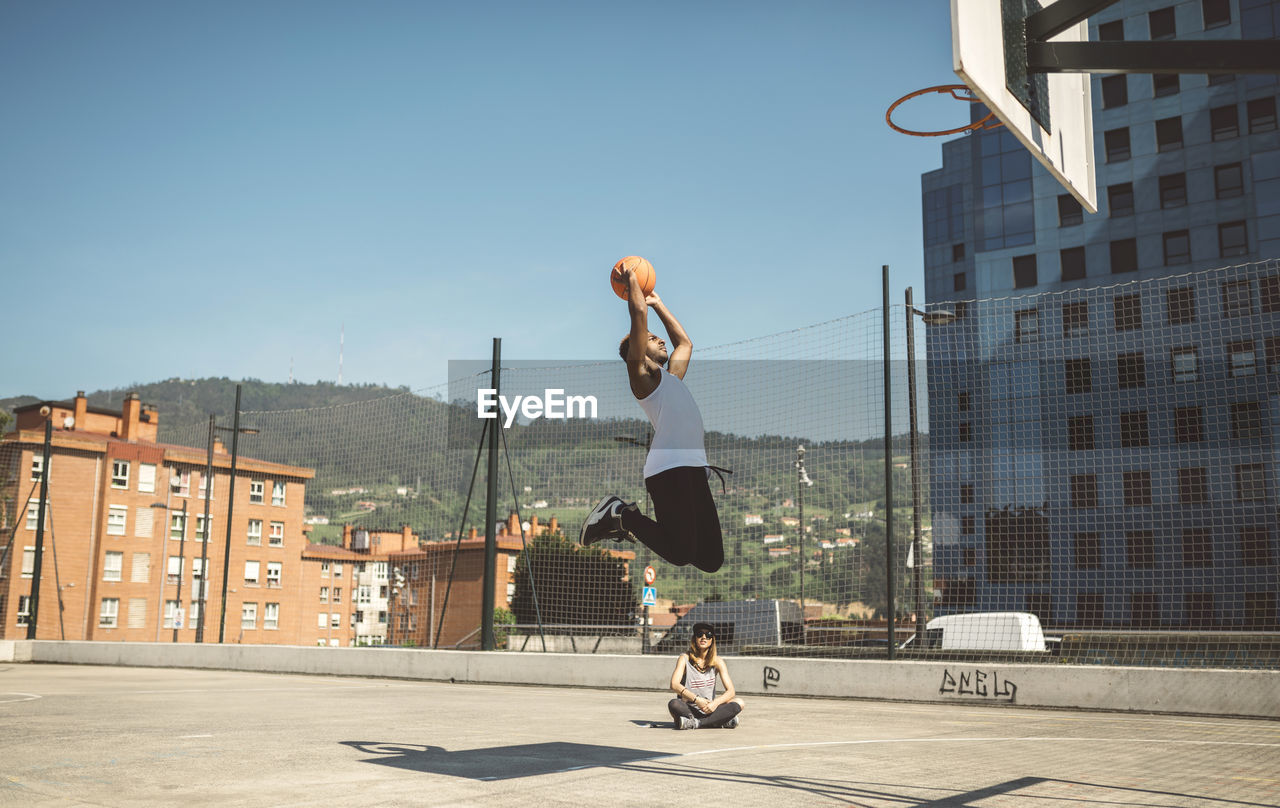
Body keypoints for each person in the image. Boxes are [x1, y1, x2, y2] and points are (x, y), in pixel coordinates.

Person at [578, 263, 725, 573]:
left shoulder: (671, 378)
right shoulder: (643, 377)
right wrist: (633, 280)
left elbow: (685, 344)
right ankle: (620, 514)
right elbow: (638, 317)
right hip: (669, 469)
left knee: (711, 559)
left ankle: (624, 519)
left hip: (694, 470)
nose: (661, 342)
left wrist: (658, 303)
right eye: (652, 338)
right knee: (681, 552)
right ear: (636, 348)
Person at [667, 622, 743, 729]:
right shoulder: (684, 658)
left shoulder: (718, 661)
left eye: (708, 635)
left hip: (709, 709)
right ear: (694, 639)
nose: (704, 637)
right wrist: (697, 700)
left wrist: (715, 703)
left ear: (712, 640)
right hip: (690, 708)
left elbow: (731, 691)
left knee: (739, 702)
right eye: (700, 634)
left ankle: (697, 723)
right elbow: (674, 684)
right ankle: (719, 721)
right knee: (674, 704)